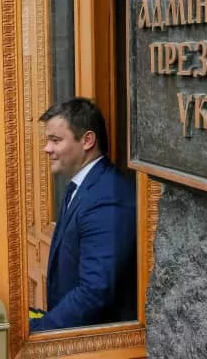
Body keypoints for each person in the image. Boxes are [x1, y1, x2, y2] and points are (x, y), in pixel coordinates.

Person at [30, 98, 136, 332]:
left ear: (87, 140)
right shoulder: (79, 186)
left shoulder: (108, 197)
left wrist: (41, 329)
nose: (47, 149)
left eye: (55, 140)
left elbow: (94, 291)